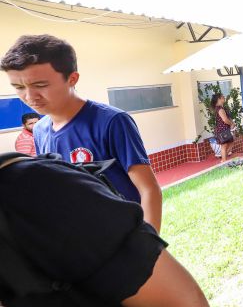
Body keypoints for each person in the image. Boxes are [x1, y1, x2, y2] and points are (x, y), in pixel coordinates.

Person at [0, 153, 229, 307]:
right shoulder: (43, 131)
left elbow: (183, 305)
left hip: (105, 228)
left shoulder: (28, 187)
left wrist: (146, 245)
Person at [1, 34, 163, 232]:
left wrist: (150, 247)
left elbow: (148, 189)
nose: (29, 96)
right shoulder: (40, 130)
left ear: (72, 79)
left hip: (124, 236)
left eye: (40, 85)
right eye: (18, 87)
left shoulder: (111, 121)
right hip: (79, 240)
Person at [211, 93, 235, 163]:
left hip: (223, 129)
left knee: (231, 142)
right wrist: (231, 124)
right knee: (224, 146)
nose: (224, 97)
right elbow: (225, 119)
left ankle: (224, 159)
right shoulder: (220, 109)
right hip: (223, 130)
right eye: (222, 97)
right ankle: (224, 161)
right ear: (219, 99)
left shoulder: (220, 108)